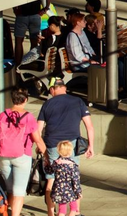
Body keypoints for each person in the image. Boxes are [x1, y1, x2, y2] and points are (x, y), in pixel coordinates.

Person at [37, 78, 94, 216]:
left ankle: (51, 212)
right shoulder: (78, 101)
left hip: (51, 145)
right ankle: (76, 212)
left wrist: (40, 148)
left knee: (51, 179)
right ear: (65, 88)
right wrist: (91, 145)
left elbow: (38, 130)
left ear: (52, 89)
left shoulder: (47, 104)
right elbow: (89, 126)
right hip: (71, 145)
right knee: (73, 177)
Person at [0, 88, 46, 216]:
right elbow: (38, 139)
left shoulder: (3, 115)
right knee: (19, 191)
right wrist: (47, 156)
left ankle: (8, 211)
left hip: (3, 156)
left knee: (10, 189)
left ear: (12, 100)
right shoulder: (28, 117)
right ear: (26, 100)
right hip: (22, 156)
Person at [46, 141, 82, 216]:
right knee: (73, 208)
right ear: (71, 152)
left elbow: (49, 171)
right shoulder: (72, 165)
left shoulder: (56, 163)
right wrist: (78, 192)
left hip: (58, 189)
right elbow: (76, 180)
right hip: (70, 191)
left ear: (59, 151)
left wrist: (46, 164)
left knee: (62, 209)